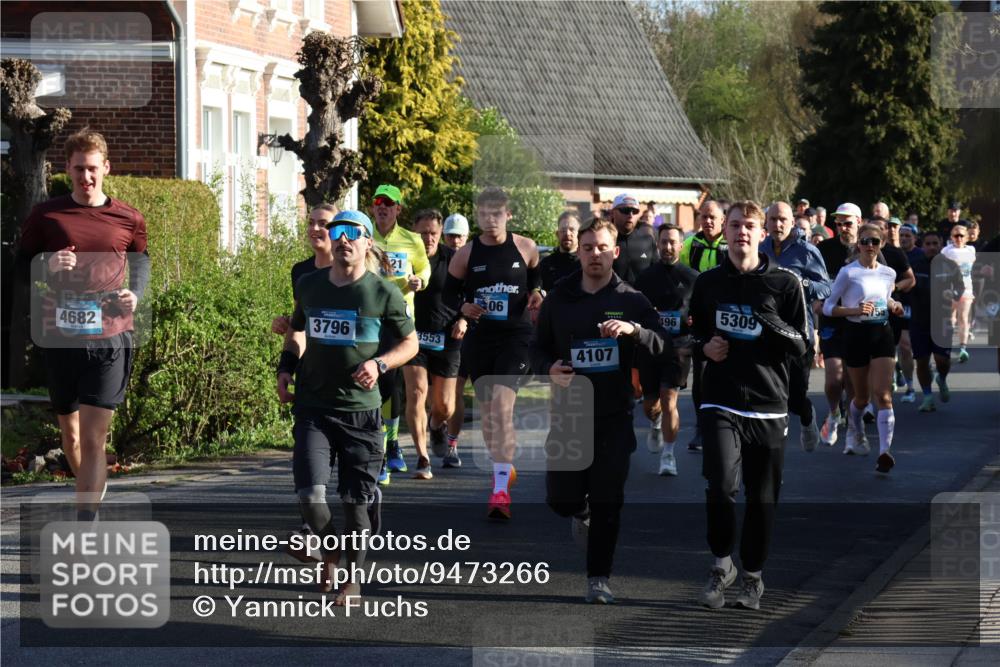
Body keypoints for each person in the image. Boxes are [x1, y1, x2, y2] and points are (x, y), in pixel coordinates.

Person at [277, 209, 417, 603]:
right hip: (314, 407)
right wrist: (285, 368)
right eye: (338, 230)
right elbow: (297, 330)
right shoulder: (309, 285)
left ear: (368, 242)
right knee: (310, 496)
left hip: (361, 412)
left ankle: (352, 581)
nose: (343, 239)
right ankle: (330, 550)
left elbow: (410, 343)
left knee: (356, 507)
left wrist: (380, 364)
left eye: (353, 233)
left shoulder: (383, 292)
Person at [531, 217, 667, 604]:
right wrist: (548, 368)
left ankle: (598, 578)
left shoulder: (631, 300)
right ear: (578, 251)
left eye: (603, 248)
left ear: (615, 252)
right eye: (588, 247)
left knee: (609, 498)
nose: (595, 254)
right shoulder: (559, 297)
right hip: (569, 414)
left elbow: (663, 343)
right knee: (561, 500)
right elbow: (536, 348)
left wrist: (635, 332)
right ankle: (580, 511)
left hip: (614, 414)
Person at [19, 129, 150, 522]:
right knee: (72, 437)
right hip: (62, 339)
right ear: (68, 169)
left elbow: (141, 260)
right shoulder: (47, 216)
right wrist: (46, 265)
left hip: (110, 336)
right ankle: (90, 490)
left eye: (93, 168)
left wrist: (135, 294)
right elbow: (20, 269)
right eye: (79, 169)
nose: (86, 177)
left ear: (106, 168)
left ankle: (85, 523)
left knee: (94, 439)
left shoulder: (129, 217)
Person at [691, 201, 809, 611]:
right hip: (720, 400)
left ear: (763, 233)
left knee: (762, 497)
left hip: (768, 404)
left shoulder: (785, 283)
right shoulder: (707, 283)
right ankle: (721, 563)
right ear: (724, 230)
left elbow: (803, 346)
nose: (742, 232)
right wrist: (704, 348)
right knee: (721, 484)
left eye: (750, 226)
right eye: (735, 225)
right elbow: (693, 337)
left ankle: (753, 575)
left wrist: (803, 408)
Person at [445, 187, 542, 519]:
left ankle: (500, 490)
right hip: (480, 339)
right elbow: (448, 293)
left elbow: (536, 277)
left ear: (508, 214)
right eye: (484, 213)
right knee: (489, 416)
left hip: (516, 338)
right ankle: (503, 467)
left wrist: (539, 292)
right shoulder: (466, 254)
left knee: (501, 407)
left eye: (497, 213)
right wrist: (463, 306)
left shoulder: (525, 247)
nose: (490, 219)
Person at [822, 224, 903, 473]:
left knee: (884, 395)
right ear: (858, 244)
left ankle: (884, 452)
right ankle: (855, 429)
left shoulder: (888, 273)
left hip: (882, 333)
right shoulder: (848, 273)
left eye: (875, 241)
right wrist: (855, 310)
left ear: (882, 245)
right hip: (856, 334)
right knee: (862, 397)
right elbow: (828, 307)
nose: (869, 246)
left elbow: (885, 298)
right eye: (865, 241)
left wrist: (894, 305)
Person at [369, 184, 431, 482]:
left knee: (389, 381)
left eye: (389, 203)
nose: (382, 207)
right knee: (374, 382)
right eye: (378, 201)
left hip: (399, 319)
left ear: (398, 209)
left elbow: (424, 267)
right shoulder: (364, 235)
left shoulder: (412, 239)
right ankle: (380, 448)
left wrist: (420, 280)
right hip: (369, 318)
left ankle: (390, 444)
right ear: (373, 207)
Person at [761, 202, 832, 452]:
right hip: (766, 332)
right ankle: (771, 443)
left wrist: (801, 283)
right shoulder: (760, 249)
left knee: (795, 396)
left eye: (783, 219)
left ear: (792, 222)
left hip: (799, 332)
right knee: (769, 392)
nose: (777, 224)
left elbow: (826, 287)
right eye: (773, 219)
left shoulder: (807, 251)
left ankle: (806, 416)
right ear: (766, 222)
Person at [634, 224, 699, 476]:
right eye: (663, 242)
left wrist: (693, 324)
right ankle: (656, 423)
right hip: (650, 345)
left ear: (681, 245)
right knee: (650, 405)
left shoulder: (693, 278)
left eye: (672, 242)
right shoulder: (645, 277)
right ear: (657, 245)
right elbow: (635, 310)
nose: (668, 247)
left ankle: (669, 455)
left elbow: (702, 312)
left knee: (669, 399)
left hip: (679, 346)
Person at [403, 209, 462, 478]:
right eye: (422, 233)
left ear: (440, 234)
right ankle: (422, 458)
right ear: (413, 232)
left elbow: (470, 294)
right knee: (416, 392)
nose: (428, 238)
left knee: (445, 406)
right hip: (412, 335)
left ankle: (437, 425)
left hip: (447, 337)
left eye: (433, 233)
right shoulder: (404, 258)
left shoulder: (454, 260)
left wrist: (464, 320)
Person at [679, 199, 729, 451]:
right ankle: (701, 427)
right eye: (704, 216)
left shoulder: (730, 244)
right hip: (701, 318)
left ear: (722, 220)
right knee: (700, 374)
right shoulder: (690, 245)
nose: (708, 221)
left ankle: (728, 426)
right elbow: (681, 281)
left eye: (712, 217)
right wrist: (686, 311)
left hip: (728, 317)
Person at [909, 229, 964, 412]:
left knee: (942, 361)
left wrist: (953, 294)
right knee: (922, 361)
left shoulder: (950, 265)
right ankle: (927, 397)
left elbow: (960, 287)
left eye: (935, 243)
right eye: (928, 244)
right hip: (919, 320)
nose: (932, 247)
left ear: (941, 245)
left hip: (942, 320)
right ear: (922, 245)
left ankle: (941, 378)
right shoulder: (914, 265)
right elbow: (905, 286)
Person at [941, 224, 976, 363]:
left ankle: (963, 348)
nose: (959, 238)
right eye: (956, 235)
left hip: (966, 288)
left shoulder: (971, 250)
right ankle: (947, 346)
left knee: (963, 318)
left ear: (966, 237)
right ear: (951, 237)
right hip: (950, 289)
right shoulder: (946, 251)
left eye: (961, 235)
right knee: (950, 318)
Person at [609, 193, 657, 285]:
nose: (630, 215)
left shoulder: (647, 240)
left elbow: (658, 272)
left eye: (635, 211)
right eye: (625, 210)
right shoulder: (604, 241)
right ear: (612, 213)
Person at [539, 211, 581, 292]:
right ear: (557, 234)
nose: (567, 233)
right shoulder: (545, 264)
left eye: (572, 229)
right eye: (563, 230)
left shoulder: (585, 264)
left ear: (579, 234)